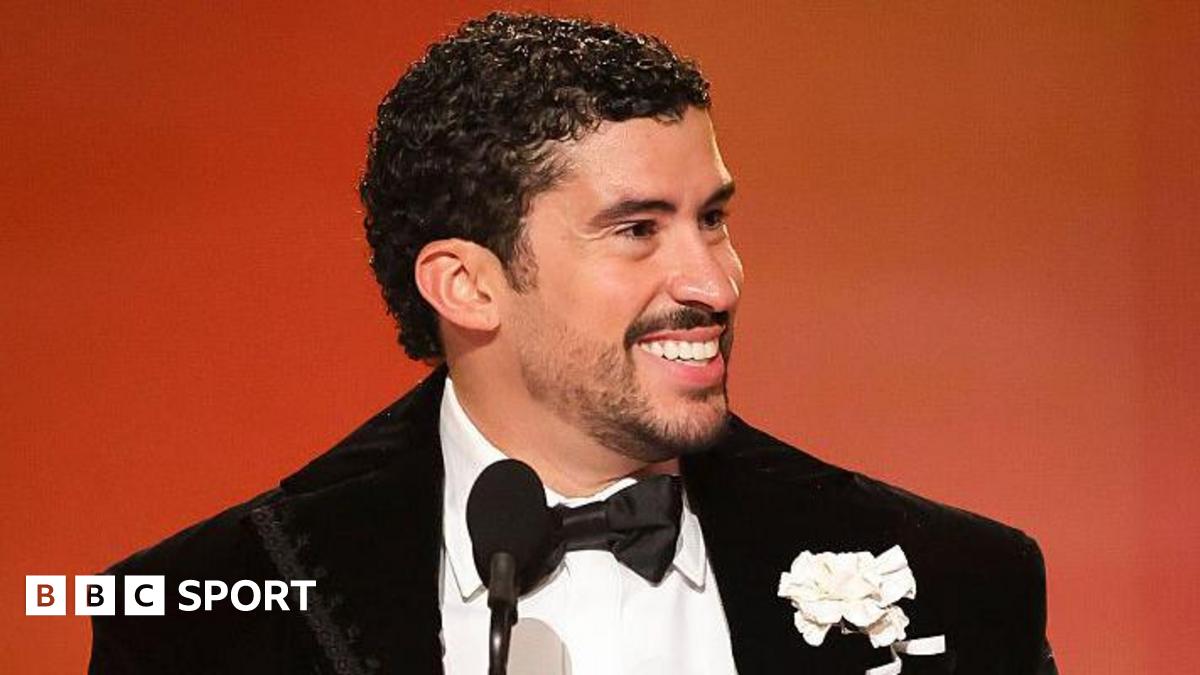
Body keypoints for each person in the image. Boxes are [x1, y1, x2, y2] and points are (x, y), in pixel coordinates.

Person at [89, 12, 1055, 675]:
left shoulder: (960, 581)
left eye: (712, 218)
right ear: (467, 285)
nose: (716, 283)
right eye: (637, 229)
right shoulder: (194, 619)